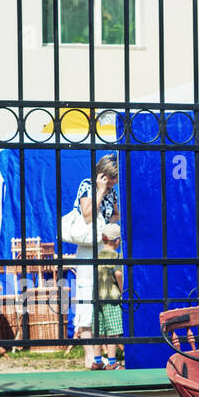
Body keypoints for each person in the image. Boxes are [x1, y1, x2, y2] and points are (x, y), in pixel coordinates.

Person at [72, 154, 121, 369]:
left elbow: (116, 216)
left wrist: (111, 219)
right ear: (100, 173)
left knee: (105, 302)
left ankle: (104, 359)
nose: (112, 182)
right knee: (86, 302)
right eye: (110, 177)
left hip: (105, 249)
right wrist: (100, 192)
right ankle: (90, 357)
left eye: (114, 178)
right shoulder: (87, 186)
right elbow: (87, 215)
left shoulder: (113, 192)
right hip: (87, 251)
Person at [91, 223, 125, 370]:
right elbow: (118, 273)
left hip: (97, 297)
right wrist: (123, 290)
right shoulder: (116, 256)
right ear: (117, 241)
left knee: (98, 332)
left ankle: (97, 361)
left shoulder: (98, 256)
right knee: (112, 333)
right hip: (111, 298)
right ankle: (112, 362)